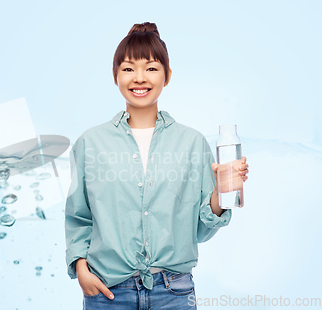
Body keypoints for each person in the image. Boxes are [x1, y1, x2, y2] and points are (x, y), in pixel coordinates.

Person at [64, 22, 250, 309]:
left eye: (151, 68)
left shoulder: (192, 143)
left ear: (168, 75)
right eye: (128, 68)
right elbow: (79, 217)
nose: (139, 78)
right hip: (107, 291)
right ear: (115, 76)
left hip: (173, 292)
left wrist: (221, 196)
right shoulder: (90, 143)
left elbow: (199, 228)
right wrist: (80, 268)